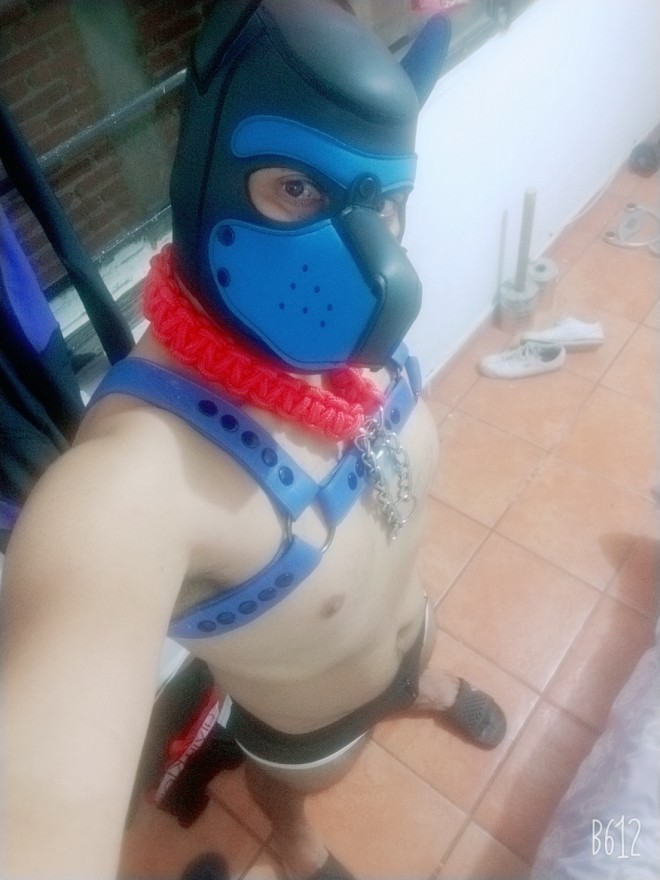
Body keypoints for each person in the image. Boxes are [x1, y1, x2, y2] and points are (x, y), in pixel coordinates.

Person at [0, 1, 506, 878]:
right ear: (207, 174)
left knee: (416, 651)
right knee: (290, 785)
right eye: (298, 189)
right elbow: (34, 813)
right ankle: (294, 842)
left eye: (383, 203)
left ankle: (420, 683)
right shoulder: (131, 486)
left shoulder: (354, 356)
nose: (376, 269)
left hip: (411, 628)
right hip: (303, 730)